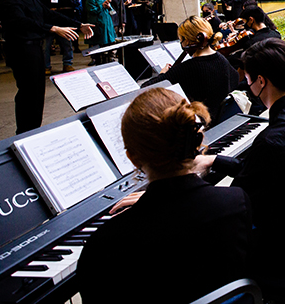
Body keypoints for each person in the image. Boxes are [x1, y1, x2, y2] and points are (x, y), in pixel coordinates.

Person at [191, 38, 285, 300]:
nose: (245, 83)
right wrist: (215, 160)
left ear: (260, 81)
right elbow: (266, 171)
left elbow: (237, 203)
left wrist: (173, 194)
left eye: (246, 77)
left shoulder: (274, 139)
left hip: (282, 254)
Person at [78, 88, 251, 304]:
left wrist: (155, 203)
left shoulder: (106, 243)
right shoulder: (236, 202)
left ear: (132, 158)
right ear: (196, 143)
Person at [0, 0, 93, 134]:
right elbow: (21, 22)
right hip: (22, 50)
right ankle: (25, 132)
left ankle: (34, 130)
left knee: (36, 93)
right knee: (28, 93)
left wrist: (79, 25)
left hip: (34, 49)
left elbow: (50, 14)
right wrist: (53, 29)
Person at [142, 16, 239, 120]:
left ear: (187, 41)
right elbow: (235, 79)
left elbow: (145, 88)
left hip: (198, 124)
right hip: (220, 121)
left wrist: (162, 74)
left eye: (181, 40)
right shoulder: (222, 60)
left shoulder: (187, 68)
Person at [36, 0, 77, 74]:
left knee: (67, 44)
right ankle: (46, 66)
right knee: (45, 47)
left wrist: (58, 10)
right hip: (47, 25)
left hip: (61, 24)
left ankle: (68, 63)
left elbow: (69, 7)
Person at [84, 0, 117, 64]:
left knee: (109, 43)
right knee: (98, 44)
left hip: (107, 22)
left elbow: (112, 12)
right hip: (98, 23)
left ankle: (109, 58)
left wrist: (109, 7)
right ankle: (96, 59)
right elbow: (92, 11)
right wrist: (102, 6)